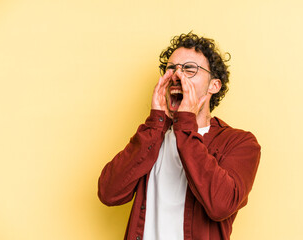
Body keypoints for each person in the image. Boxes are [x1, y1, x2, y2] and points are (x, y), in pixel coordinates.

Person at [98, 32, 261, 240]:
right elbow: (109, 193)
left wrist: (185, 122)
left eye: (189, 69)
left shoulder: (240, 143)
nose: (177, 75)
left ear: (214, 85)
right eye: (171, 68)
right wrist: (155, 124)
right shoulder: (152, 138)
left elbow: (221, 205)